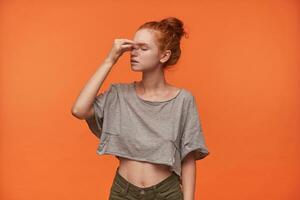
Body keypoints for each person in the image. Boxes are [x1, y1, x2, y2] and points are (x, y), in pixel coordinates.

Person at [71, 17, 210, 200]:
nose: (134, 53)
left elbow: (188, 157)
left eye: (143, 48)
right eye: (133, 47)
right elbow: (79, 110)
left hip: (166, 193)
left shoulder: (183, 100)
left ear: (164, 55)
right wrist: (110, 60)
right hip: (123, 193)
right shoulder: (119, 94)